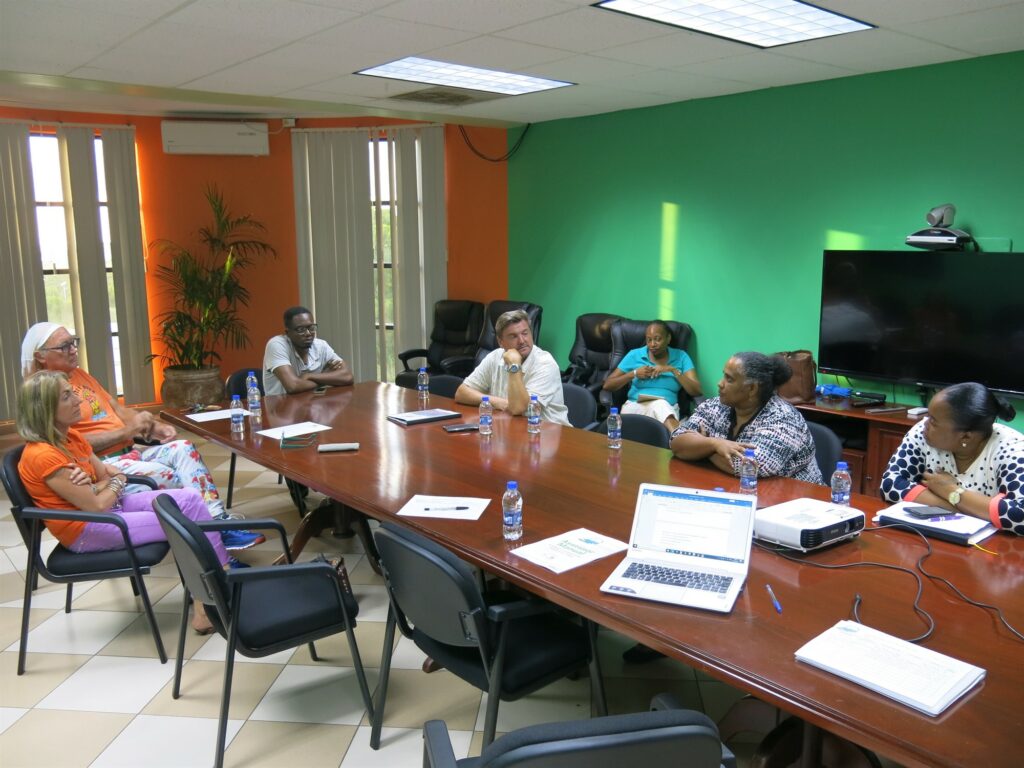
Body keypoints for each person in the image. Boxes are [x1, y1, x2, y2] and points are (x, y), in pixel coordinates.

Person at [16, 371, 229, 633]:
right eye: (66, 396)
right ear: (45, 408)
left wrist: (101, 486)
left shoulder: (70, 437)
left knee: (190, 500)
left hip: (109, 509)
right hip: (87, 529)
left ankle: (216, 587)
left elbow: (108, 475)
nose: (77, 401)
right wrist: (107, 486)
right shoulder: (42, 455)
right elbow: (96, 506)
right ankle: (218, 595)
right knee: (181, 524)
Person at [20, 323, 262, 551]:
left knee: (183, 448)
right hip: (106, 463)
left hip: (125, 456)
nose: (73, 349)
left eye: (74, 342)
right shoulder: (44, 396)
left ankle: (218, 522)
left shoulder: (79, 375)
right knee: (174, 477)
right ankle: (205, 538)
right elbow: (77, 446)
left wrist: (152, 427)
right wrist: (128, 433)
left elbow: (117, 409)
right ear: (40, 356)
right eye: (65, 346)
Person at [880, 382, 1023, 535]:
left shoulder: (1012, 449)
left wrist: (951, 491)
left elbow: (1019, 514)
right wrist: (963, 506)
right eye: (928, 416)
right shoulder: (922, 433)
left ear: (966, 436)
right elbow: (891, 484)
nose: (925, 423)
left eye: (933, 421)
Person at [670, 351, 823, 484]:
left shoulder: (783, 418)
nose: (720, 383)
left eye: (729, 379)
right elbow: (676, 442)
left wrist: (701, 446)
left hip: (796, 501)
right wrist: (714, 443)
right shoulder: (716, 405)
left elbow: (750, 468)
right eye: (723, 375)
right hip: (737, 490)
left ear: (752, 388)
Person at [455, 309, 570, 426]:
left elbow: (518, 408)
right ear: (501, 342)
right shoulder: (495, 356)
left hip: (548, 433)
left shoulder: (545, 363)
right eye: (513, 336)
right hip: (513, 428)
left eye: (525, 333)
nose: (522, 341)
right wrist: (498, 402)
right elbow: (461, 393)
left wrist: (514, 364)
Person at [601, 320, 702, 431]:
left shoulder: (681, 357)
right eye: (649, 340)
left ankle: (684, 440)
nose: (652, 344)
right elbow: (607, 385)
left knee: (660, 405)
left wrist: (672, 370)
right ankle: (683, 435)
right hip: (635, 405)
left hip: (665, 409)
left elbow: (696, 390)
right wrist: (633, 374)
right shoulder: (635, 355)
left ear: (668, 338)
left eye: (657, 339)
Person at [263, 306, 352, 396]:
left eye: (311, 327)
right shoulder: (277, 345)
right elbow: (293, 386)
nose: (308, 333)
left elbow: (348, 377)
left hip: (312, 404)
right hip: (280, 407)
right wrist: (328, 377)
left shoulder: (321, 345)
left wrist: (309, 376)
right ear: (288, 333)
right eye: (301, 329)